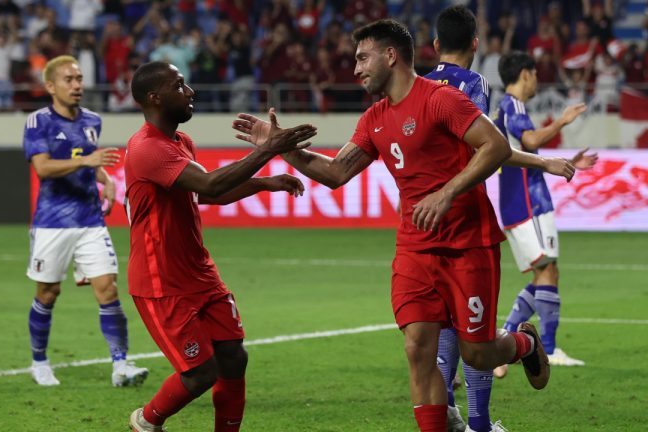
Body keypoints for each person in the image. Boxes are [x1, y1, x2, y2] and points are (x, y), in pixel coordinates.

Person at [233, 19, 577, 431]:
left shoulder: (441, 99)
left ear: (391, 55)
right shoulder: (374, 117)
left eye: (363, 58)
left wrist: (446, 192)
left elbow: (496, 146)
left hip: (468, 243)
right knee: (417, 348)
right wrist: (279, 148)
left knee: (478, 355)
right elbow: (336, 172)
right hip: (415, 248)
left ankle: (524, 343)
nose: (356, 69)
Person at [125, 61, 315, 432]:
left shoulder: (181, 142)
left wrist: (263, 183)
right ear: (155, 97)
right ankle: (146, 422)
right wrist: (269, 149)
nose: (190, 91)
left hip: (199, 274)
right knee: (200, 374)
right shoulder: (147, 148)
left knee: (233, 358)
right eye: (179, 85)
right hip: (161, 282)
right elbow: (210, 184)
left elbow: (208, 195)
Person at [22, 55, 148, 387]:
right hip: (52, 222)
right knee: (48, 293)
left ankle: (121, 365)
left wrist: (104, 178)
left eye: (79, 78)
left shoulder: (91, 119)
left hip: (90, 219)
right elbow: (43, 168)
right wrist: (90, 161)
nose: (77, 85)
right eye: (69, 79)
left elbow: (88, 158)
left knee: (108, 289)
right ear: (50, 86)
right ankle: (39, 362)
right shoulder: (38, 122)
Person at [493, 51, 598, 378]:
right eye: (535, 73)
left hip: (524, 199)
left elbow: (524, 150)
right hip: (527, 202)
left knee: (545, 272)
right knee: (548, 271)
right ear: (525, 74)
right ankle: (547, 348)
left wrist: (568, 160)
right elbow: (529, 140)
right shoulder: (514, 105)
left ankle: (503, 344)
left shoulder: (505, 108)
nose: (537, 79)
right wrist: (563, 120)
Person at [424, 6, 501, 432]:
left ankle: (447, 410)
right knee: (477, 328)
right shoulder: (474, 83)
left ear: (435, 45)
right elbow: (481, 146)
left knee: (443, 319)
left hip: (424, 217)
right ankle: (480, 423)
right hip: (465, 215)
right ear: (475, 43)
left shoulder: (417, 85)